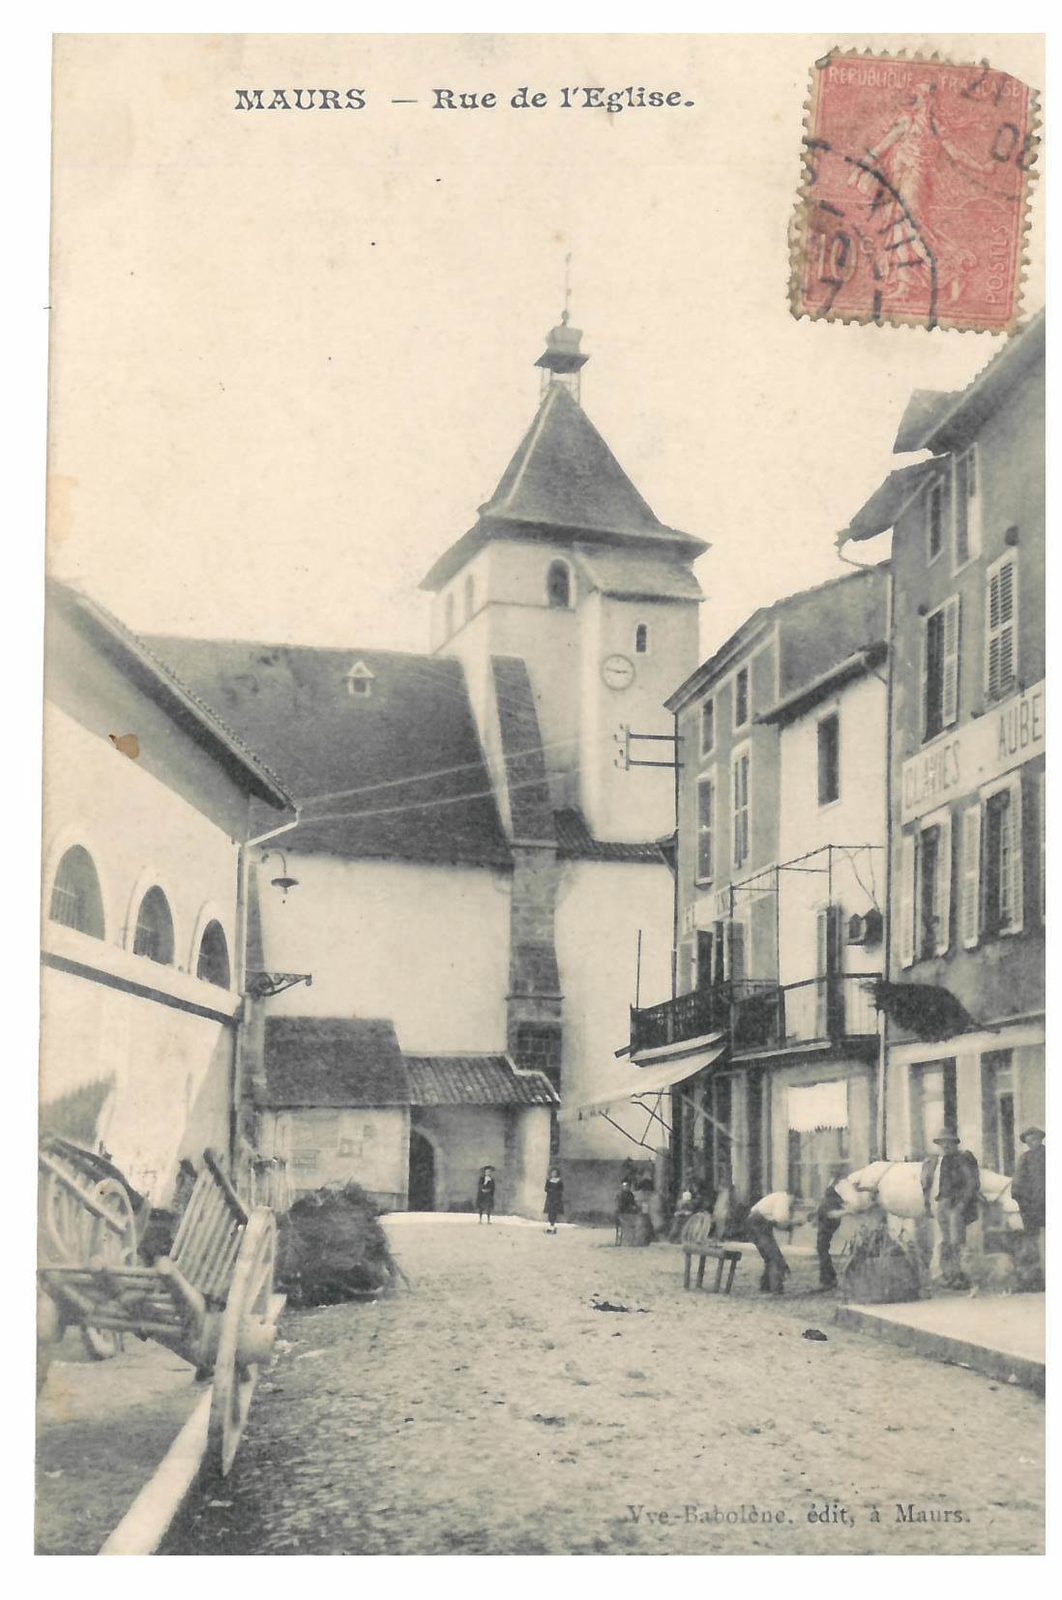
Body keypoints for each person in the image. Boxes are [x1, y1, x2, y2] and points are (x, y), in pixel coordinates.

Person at [920, 1129, 980, 1289]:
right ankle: (950, 1276)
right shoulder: (940, 1161)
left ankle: (963, 1276)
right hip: (942, 1203)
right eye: (942, 1143)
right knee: (945, 1241)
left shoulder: (962, 1160)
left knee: (957, 1241)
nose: (945, 1145)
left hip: (956, 1204)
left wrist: (962, 1204)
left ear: (954, 1143)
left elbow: (971, 1183)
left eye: (948, 1142)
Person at [746, 1190, 805, 1294]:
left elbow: (776, 1223)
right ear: (792, 1196)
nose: (793, 1205)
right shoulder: (784, 1199)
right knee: (774, 1257)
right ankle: (776, 1288)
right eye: (795, 1201)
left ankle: (766, 1286)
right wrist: (795, 1222)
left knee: (770, 1256)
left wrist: (791, 1224)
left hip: (756, 1224)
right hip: (758, 1225)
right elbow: (781, 1223)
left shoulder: (778, 1196)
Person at [1010, 1125, 1046, 1290]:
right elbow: (1017, 1184)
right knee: (1031, 1243)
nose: (1033, 1142)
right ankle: (1035, 1280)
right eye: (1029, 1140)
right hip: (1032, 1207)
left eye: (1036, 1138)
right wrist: (1023, 1202)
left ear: (1041, 1139)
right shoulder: (1024, 1159)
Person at [813, 1179, 847, 1290]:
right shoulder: (834, 1186)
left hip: (827, 1224)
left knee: (822, 1251)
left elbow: (834, 1211)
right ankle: (830, 1278)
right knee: (822, 1251)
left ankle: (827, 1280)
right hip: (824, 1222)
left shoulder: (838, 1187)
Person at [544, 1167, 564, 1234]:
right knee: (550, 1212)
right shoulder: (549, 1180)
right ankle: (551, 1226)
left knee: (554, 1213)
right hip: (550, 1198)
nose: (553, 1174)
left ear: (557, 1173)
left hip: (556, 1199)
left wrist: (556, 1192)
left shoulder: (559, 1181)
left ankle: (553, 1226)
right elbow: (546, 1188)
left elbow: (561, 1190)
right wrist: (550, 1190)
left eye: (555, 1173)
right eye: (552, 1172)